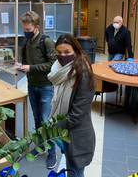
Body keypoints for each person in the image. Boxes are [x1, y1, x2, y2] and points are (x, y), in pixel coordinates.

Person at [48, 34, 95, 177]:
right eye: (59, 52)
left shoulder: (83, 73)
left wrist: (52, 127)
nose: (63, 56)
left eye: (67, 52)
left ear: (76, 51)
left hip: (78, 137)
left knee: (75, 173)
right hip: (66, 133)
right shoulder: (60, 69)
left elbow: (77, 115)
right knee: (71, 171)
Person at [19, 11, 57, 169]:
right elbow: (27, 63)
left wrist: (31, 68)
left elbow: (53, 64)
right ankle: (41, 146)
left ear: (37, 27)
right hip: (32, 85)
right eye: (24, 29)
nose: (25, 32)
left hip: (45, 87)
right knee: (37, 119)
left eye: (28, 30)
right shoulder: (27, 43)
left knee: (46, 121)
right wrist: (21, 67)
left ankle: (52, 153)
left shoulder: (46, 41)